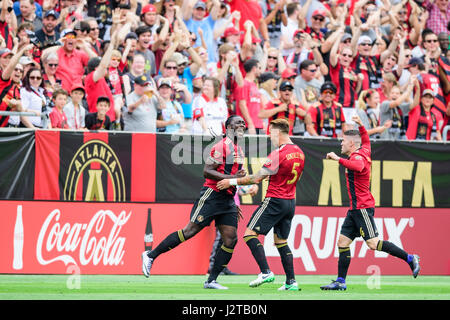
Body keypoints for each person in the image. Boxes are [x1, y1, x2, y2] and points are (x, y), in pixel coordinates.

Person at [142, 115, 247, 290]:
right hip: (212, 195)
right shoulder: (221, 147)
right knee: (189, 231)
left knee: (231, 239)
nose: (242, 125)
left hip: (227, 199)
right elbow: (207, 171)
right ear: (228, 127)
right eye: (238, 123)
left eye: (243, 123)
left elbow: (235, 178)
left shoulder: (239, 150)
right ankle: (151, 255)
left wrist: (233, 195)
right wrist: (231, 179)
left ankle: (211, 280)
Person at [320, 115, 420, 291]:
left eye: (343, 141)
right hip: (355, 210)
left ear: (351, 144)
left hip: (363, 208)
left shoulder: (357, 157)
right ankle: (340, 281)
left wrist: (337, 159)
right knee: (343, 242)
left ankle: (410, 258)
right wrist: (360, 125)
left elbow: (358, 167)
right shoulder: (365, 148)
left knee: (373, 243)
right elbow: (365, 139)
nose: (340, 144)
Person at [217, 118, 305, 291]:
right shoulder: (300, 152)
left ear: (277, 133)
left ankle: (265, 272)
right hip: (290, 202)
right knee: (281, 242)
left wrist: (231, 181)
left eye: (270, 132)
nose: (269, 136)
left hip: (274, 199)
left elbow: (256, 178)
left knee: (249, 234)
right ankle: (291, 282)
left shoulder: (279, 153)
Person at [236, 58, 264, 134]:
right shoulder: (243, 84)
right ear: (254, 69)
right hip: (248, 126)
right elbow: (242, 105)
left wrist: (262, 122)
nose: (261, 71)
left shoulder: (254, 84)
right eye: (259, 68)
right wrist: (250, 124)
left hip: (257, 125)